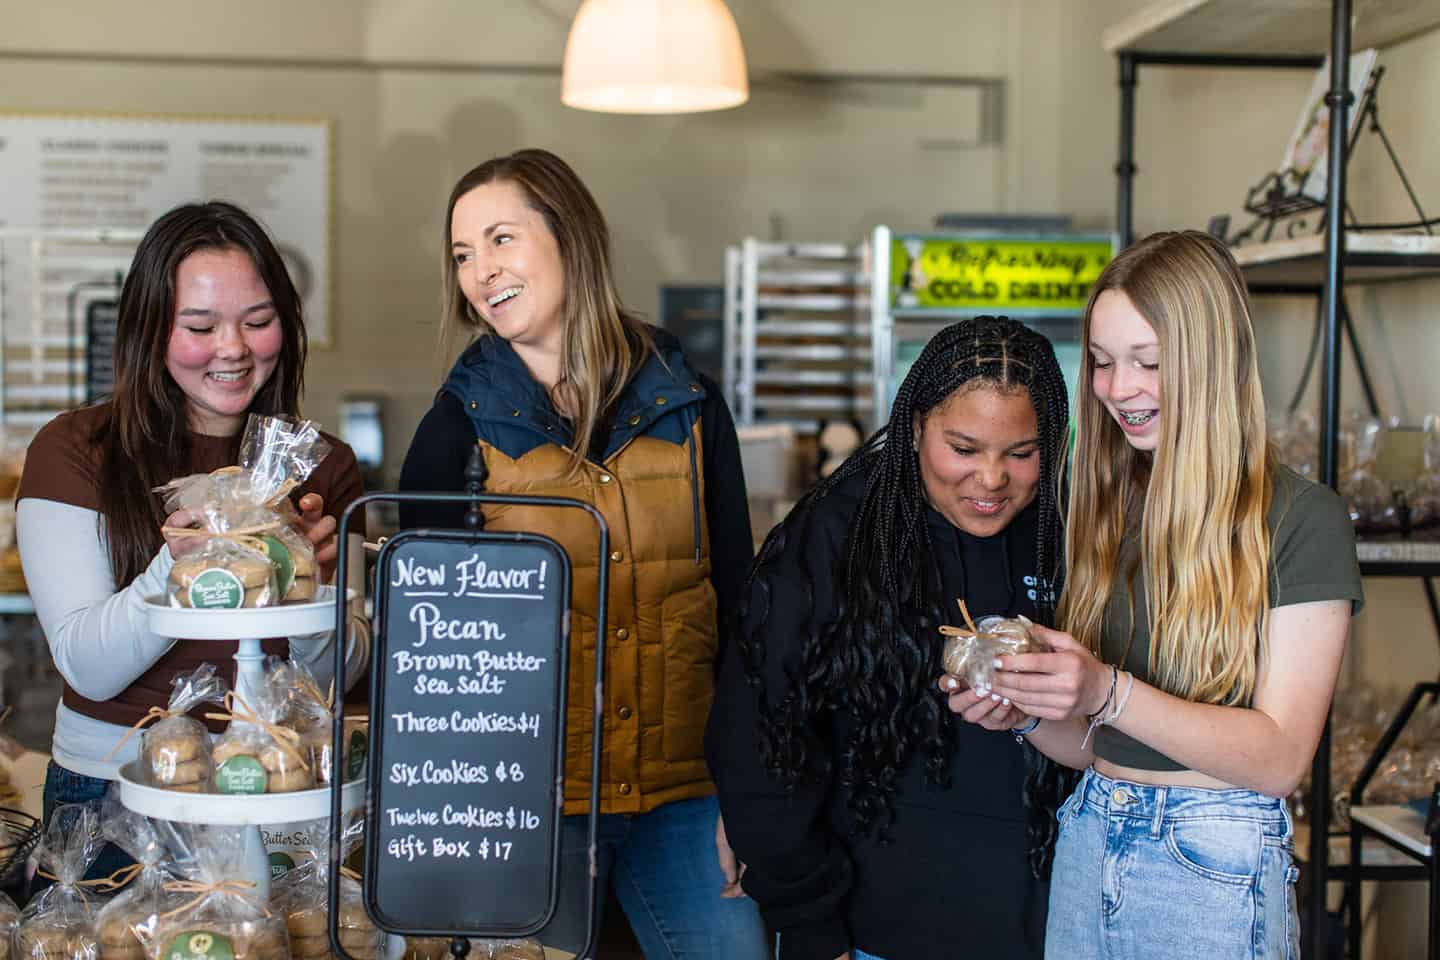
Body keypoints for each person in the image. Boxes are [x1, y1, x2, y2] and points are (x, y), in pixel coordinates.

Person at [397, 148, 765, 959]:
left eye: (500, 240)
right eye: (462, 255)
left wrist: (748, 791)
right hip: (531, 803)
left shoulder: (690, 406)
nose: (480, 272)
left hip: (686, 795)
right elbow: (424, 663)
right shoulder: (454, 434)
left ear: (571, 238)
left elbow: (742, 605)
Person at [961, 231, 1364, 958]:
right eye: (1104, 363)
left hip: (1211, 863)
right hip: (1089, 836)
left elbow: (1278, 759)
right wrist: (1025, 712)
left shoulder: (1302, 519)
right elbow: (1097, 751)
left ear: (1211, 362)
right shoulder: (1104, 503)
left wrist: (1106, 688)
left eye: (1148, 362)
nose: (1118, 389)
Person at [706, 316, 1077, 960]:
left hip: (1056, 926)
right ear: (913, 429)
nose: (992, 480)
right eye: (963, 449)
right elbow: (763, 737)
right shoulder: (837, 534)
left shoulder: (1076, 529)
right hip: (872, 928)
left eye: (1022, 453)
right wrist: (809, 920)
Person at [16, 201, 367, 861]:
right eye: (200, 325)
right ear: (149, 329)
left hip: (278, 786)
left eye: (257, 322)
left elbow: (333, 679)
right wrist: (176, 571)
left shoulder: (322, 467)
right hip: (113, 789)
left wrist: (311, 598)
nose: (232, 348)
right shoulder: (74, 452)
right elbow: (88, 668)